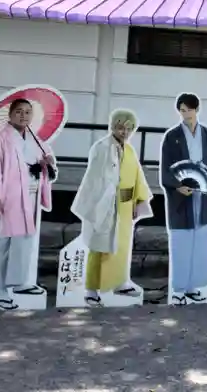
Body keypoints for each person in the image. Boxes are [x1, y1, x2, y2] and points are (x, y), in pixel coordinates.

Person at [0, 98, 55, 311]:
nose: (24, 116)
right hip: (10, 195)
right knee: (7, 241)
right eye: (19, 111)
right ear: (11, 114)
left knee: (25, 239)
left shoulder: (35, 140)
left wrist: (46, 163)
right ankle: (1, 291)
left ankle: (20, 282)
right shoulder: (1, 139)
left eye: (28, 112)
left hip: (31, 194)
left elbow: (46, 161)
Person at [71, 109, 153, 307]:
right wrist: (104, 199)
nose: (125, 132)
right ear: (112, 126)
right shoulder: (101, 148)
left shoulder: (130, 150)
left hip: (125, 205)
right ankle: (91, 289)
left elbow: (138, 177)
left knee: (122, 246)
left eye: (129, 128)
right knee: (99, 246)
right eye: (120, 127)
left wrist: (138, 200)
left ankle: (119, 282)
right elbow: (94, 179)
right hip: (105, 204)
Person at [160, 93, 207, 305]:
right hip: (181, 195)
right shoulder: (172, 136)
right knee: (181, 240)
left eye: (189, 110)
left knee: (200, 240)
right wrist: (177, 186)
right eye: (182, 110)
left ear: (197, 110)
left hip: (203, 194)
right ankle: (178, 289)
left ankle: (192, 287)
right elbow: (166, 166)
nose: (185, 114)